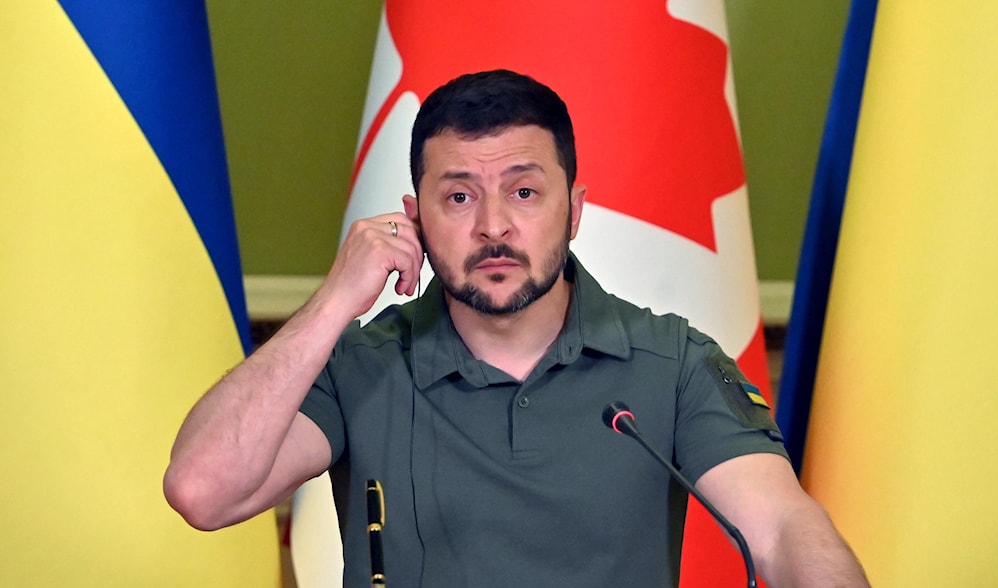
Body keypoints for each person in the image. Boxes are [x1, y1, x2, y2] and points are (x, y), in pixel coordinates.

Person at [164, 69, 868, 587]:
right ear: (414, 217)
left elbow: (780, 527)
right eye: (459, 196)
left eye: (525, 192)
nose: (493, 226)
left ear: (575, 209)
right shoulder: (363, 364)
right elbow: (203, 491)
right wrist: (333, 302)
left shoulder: (670, 361)